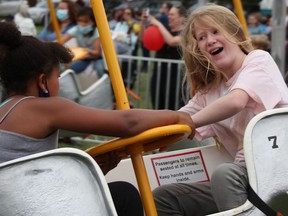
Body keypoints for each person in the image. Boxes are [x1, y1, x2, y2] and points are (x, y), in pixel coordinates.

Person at [0, 21, 194, 216]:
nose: (58, 84)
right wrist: (175, 115)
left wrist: (97, 169)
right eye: (58, 77)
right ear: (43, 81)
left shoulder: (5, 110)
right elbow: (128, 122)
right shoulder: (43, 108)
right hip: (32, 209)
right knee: (124, 195)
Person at [152, 4, 288, 216]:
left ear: (234, 32)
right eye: (202, 37)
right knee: (164, 197)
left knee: (225, 174)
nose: (210, 40)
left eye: (215, 31)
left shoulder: (258, 61)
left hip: (277, 168)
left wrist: (190, 123)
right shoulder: (209, 92)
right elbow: (177, 121)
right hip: (246, 179)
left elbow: (235, 102)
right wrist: (141, 132)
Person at [145, 6, 188, 110]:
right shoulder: (164, 29)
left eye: (172, 14)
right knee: (157, 104)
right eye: (168, 14)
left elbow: (172, 41)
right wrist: (143, 23)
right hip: (158, 73)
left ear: (181, 17)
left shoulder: (186, 33)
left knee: (172, 105)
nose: (168, 16)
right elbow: (143, 40)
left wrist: (158, 23)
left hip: (176, 76)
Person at [62, 6, 105, 78]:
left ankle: (109, 88)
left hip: (98, 59)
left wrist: (87, 51)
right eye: (80, 21)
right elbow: (61, 40)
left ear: (93, 22)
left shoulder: (97, 32)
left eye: (86, 21)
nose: (82, 24)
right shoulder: (76, 29)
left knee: (100, 69)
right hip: (84, 59)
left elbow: (97, 53)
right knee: (68, 70)